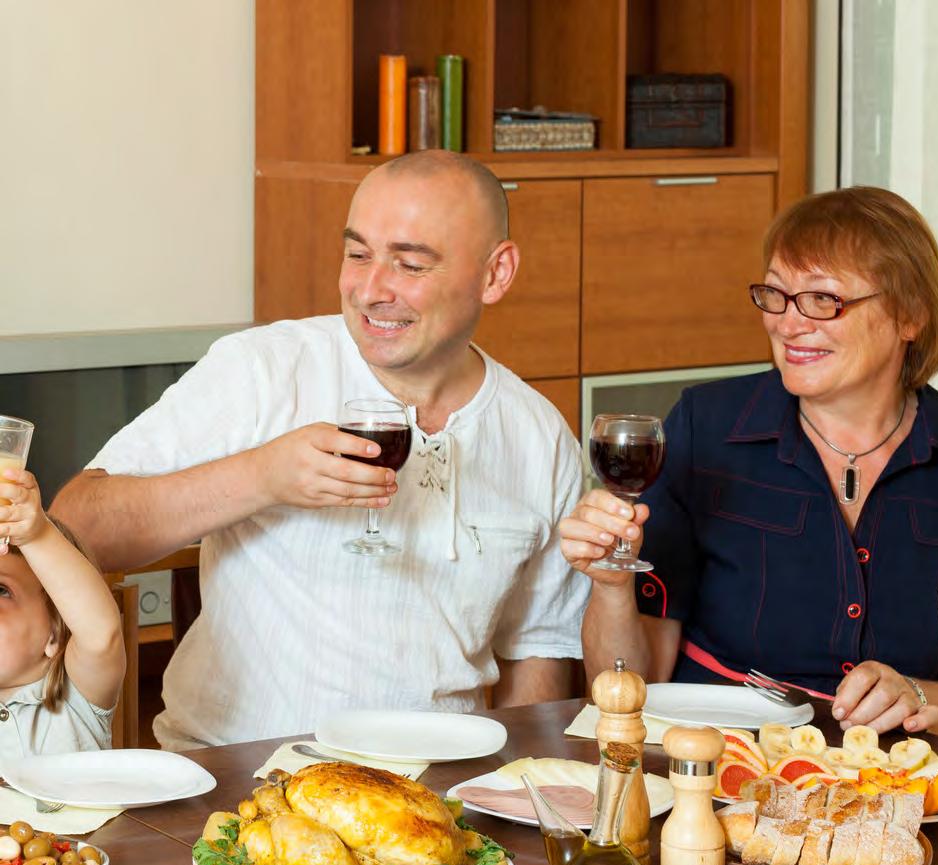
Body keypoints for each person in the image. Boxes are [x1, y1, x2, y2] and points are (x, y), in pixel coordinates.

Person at [51, 150, 587, 750]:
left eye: (409, 265)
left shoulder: (539, 436)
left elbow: (538, 650)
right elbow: (76, 525)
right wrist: (263, 478)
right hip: (240, 779)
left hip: (432, 795)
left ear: (496, 273)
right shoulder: (264, 370)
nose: (369, 289)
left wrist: (507, 791)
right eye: (357, 254)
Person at [560, 186, 938, 735]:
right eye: (775, 295)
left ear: (910, 315)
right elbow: (625, 691)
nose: (788, 324)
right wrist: (610, 587)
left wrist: (917, 693)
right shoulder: (707, 426)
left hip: (909, 782)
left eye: (822, 300)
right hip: (719, 770)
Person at [0, 467, 125, 757]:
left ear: (55, 632)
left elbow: (100, 634)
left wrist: (36, 536)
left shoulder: (75, 701)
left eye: (1, 590)